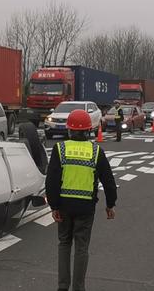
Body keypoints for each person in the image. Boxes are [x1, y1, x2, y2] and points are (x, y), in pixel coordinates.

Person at [45, 109, 117, 291]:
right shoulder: (95, 151)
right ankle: (78, 287)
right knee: (81, 247)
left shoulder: (60, 149)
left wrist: (54, 206)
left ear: (69, 130)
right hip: (85, 207)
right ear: (88, 130)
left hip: (63, 206)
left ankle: (62, 286)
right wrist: (110, 205)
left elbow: (51, 180)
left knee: (64, 244)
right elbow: (108, 181)